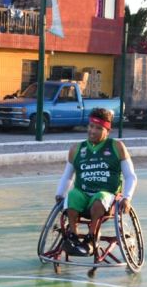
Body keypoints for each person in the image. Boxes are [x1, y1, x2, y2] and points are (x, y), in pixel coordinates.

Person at [54, 108, 137, 256]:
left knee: (100, 198)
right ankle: (73, 236)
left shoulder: (117, 147)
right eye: (91, 126)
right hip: (83, 194)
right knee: (71, 195)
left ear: (107, 131)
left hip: (107, 196)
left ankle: (91, 238)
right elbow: (67, 176)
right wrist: (60, 194)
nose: (93, 131)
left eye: (98, 128)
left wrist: (127, 197)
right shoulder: (77, 149)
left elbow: (130, 176)